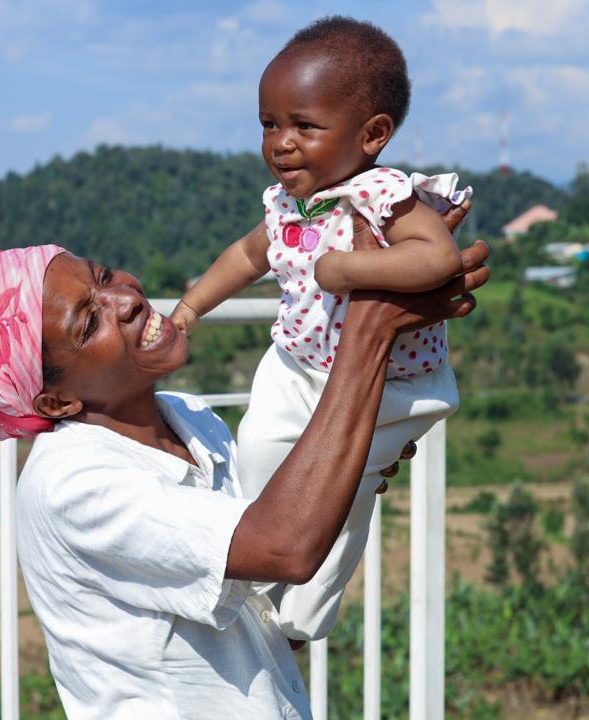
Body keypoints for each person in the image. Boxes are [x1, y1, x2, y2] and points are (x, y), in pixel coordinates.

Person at [0, 210, 487, 718]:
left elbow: (271, 585)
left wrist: (358, 462)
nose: (126, 298)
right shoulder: (71, 484)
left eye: (106, 275)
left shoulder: (189, 419)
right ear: (55, 401)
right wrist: (370, 328)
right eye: (89, 321)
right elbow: (284, 547)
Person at [170, 16, 473, 641]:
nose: (281, 143)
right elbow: (245, 257)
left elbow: (438, 258)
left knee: (343, 493)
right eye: (269, 124)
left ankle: (301, 620)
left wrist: (348, 268)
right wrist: (190, 308)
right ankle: (248, 574)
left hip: (390, 387)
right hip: (297, 367)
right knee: (257, 452)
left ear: (372, 135)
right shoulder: (284, 205)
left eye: (305, 126)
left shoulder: (385, 194)